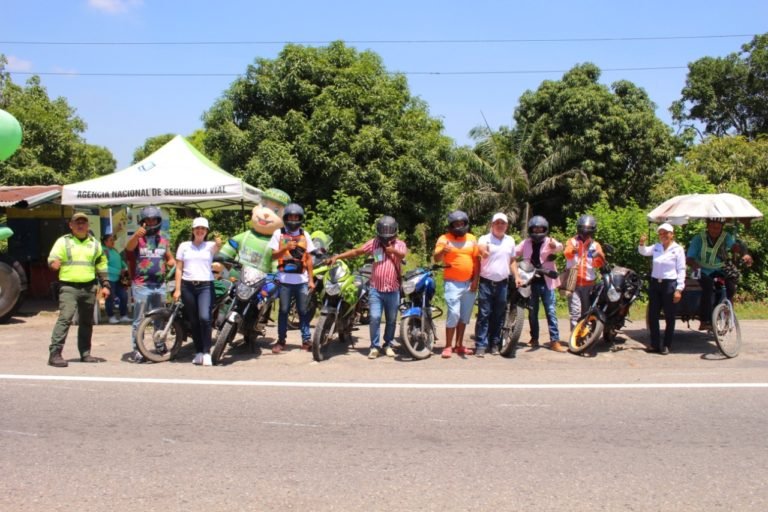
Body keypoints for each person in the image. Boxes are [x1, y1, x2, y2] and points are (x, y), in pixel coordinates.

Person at [330, 216, 406, 359]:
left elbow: (402, 254)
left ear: (394, 230)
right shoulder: (374, 243)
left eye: (389, 230)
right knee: (375, 317)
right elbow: (357, 252)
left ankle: (388, 344)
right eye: (384, 229)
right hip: (376, 289)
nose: (386, 232)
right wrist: (339, 256)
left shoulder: (399, 244)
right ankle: (374, 346)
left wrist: (393, 251)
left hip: (393, 289)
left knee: (391, 319)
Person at [47, 212, 111, 367]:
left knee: (86, 322)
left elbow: (101, 264)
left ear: (88, 225)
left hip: (89, 287)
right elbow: (52, 259)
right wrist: (52, 264)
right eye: (77, 222)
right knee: (65, 318)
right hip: (69, 287)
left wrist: (106, 284)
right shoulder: (63, 242)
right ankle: (55, 354)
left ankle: (85, 353)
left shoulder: (94, 243)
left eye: (83, 222)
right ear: (71, 225)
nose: (80, 225)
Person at [124, 205, 176, 363]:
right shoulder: (138, 238)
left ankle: (159, 345)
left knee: (160, 318)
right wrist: (135, 236)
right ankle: (137, 350)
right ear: (143, 221)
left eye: (154, 219)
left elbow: (170, 259)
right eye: (148, 219)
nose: (151, 222)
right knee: (139, 319)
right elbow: (128, 249)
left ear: (159, 220)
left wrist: (176, 264)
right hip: (141, 285)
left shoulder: (163, 239)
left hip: (159, 285)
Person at [686, 218, 753, 331]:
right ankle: (704, 321)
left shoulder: (726, 237)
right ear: (707, 226)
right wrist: (694, 264)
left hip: (719, 268)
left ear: (722, 227)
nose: (715, 230)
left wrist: (744, 253)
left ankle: (726, 311)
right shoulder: (699, 238)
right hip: (700, 269)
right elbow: (689, 258)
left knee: (731, 284)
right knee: (707, 286)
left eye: (718, 227)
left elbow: (734, 247)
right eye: (712, 227)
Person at [174, 217, 222, 366]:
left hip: (205, 286)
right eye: (197, 228)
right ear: (193, 230)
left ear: (206, 231)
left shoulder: (210, 245)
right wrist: (177, 289)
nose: (200, 231)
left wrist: (219, 242)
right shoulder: (184, 246)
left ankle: (207, 351)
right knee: (193, 320)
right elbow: (179, 268)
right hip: (187, 286)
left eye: (203, 229)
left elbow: (219, 247)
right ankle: (199, 351)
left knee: (205, 318)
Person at [268, 203, 316, 353]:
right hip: (284, 281)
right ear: (286, 218)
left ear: (300, 218)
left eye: (296, 217)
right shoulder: (278, 233)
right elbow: (272, 256)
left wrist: (311, 279)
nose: (293, 219)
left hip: (301, 280)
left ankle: (306, 340)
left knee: (303, 311)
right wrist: (284, 249)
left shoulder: (305, 234)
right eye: (291, 216)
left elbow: (308, 259)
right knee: (283, 311)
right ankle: (281, 340)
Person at [516, 215, 567, 352]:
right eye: (535, 229)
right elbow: (514, 252)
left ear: (545, 229)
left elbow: (560, 248)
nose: (538, 231)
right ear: (531, 230)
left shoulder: (549, 241)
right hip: (531, 282)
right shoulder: (526, 243)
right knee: (533, 312)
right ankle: (534, 338)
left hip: (547, 282)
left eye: (540, 229)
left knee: (551, 311)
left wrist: (554, 246)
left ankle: (554, 341)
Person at [434, 210, 479, 358]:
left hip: (469, 284)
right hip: (452, 283)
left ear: (466, 224)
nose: (459, 226)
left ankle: (459, 345)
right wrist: (443, 251)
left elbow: (476, 261)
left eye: (462, 223)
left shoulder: (472, 238)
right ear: (451, 225)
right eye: (456, 224)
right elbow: (436, 259)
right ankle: (447, 346)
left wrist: (475, 280)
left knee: (464, 316)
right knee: (454, 313)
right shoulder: (444, 239)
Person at [474, 212, 520, 357]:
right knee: (484, 314)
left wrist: (517, 276)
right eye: (497, 223)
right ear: (492, 225)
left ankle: (494, 343)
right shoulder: (485, 238)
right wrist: (484, 252)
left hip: (502, 283)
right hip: (486, 283)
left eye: (503, 223)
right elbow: (481, 248)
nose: (500, 225)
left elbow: (512, 260)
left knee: (498, 315)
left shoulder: (510, 240)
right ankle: (481, 345)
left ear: (506, 226)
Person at [639, 223, 686, 355]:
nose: (663, 236)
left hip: (669, 284)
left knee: (669, 316)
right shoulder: (657, 247)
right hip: (655, 284)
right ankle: (654, 344)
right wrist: (642, 243)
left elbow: (681, 269)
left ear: (672, 234)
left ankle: (666, 344)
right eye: (661, 233)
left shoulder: (678, 249)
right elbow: (643, 252)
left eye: (666, 233)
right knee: (653, 315)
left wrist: (679, 289)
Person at [219, 188, 291, 272]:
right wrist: (221, 257)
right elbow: (231, 245)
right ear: (255, 208)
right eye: (263, 206)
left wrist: (277, 274)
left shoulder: (275, 243)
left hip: (259, 281)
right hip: (236, 275)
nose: (266, 213)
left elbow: (277, 263)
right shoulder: (246, 235)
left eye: (276, 211)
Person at [563, 215, 605, 332]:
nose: (585, 232)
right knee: (575, 312)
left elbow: (598, 263)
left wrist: (598, 257)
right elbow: (567, 253)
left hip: (589, 284)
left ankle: (585, 336)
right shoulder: (572, 241)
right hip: (573, 282)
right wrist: (574, 250)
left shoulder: (595, 245)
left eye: (588, 229)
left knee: (586, 312)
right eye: (583, 228)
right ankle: (574, 337)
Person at [101, 233, 130, 324]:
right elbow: (103, 266)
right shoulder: (103, 251)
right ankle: (111, 316)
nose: (113, 242)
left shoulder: (114, 250)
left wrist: (125, 268)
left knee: (124, 296)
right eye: (111, 240)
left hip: (118, 279)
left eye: (113, 240)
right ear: (105, 242)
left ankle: (123, 315)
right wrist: (118, 271)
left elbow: (120, 261)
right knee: (110, 298)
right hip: (108, 278)